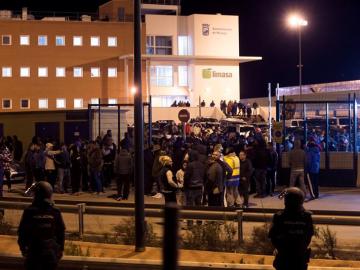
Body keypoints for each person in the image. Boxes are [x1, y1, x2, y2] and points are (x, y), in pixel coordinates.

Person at [18, 181, 66, 270]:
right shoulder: (55, 211)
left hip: (33, 252)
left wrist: (23, 249)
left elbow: (22, 232)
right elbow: (61, 233)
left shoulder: (29, 211)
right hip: (50, 253)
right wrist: (60, 250)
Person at [269, 187, 314, 270]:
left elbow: (272, 237)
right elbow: (308, 237)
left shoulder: (279, 217)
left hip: (283, 259)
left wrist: (280, 248)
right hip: (299, 259)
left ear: (287, 201)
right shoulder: (307, 217)